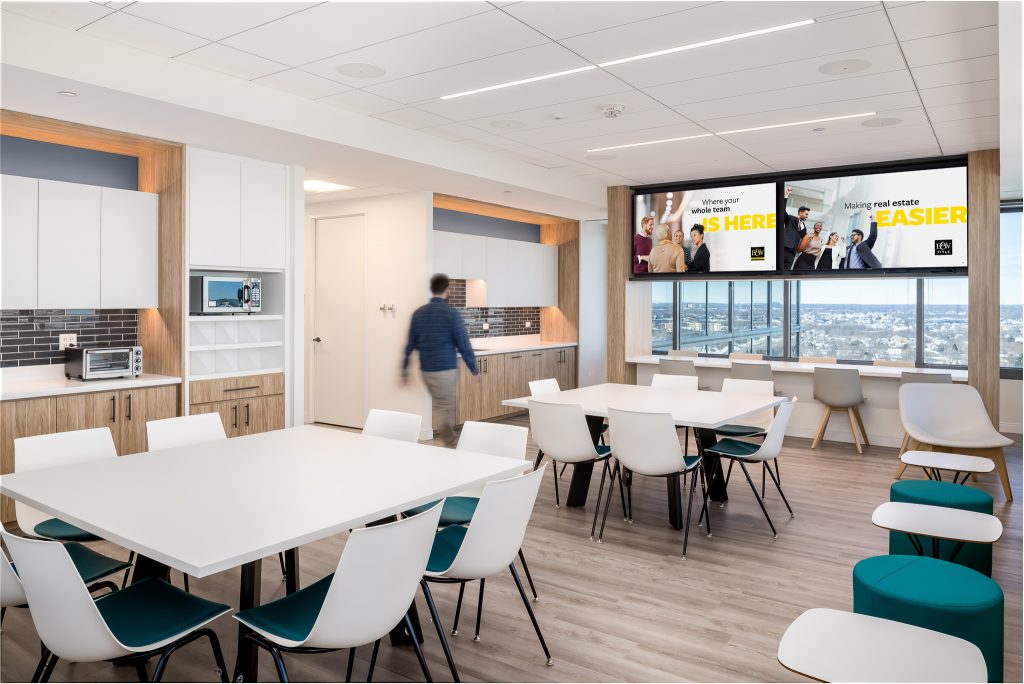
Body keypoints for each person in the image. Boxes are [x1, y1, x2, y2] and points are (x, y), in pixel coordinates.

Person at [401, 274, 478, 447]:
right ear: (447, 289)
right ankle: (450, 445)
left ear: (432, 289)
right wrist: (473, 366)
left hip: (426, 370)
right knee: (445, 407)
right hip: (445, 369)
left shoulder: (418, 314)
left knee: (441, 405)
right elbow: (463, 343)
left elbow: (410, 344)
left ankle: (448, 444)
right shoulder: (451, 314)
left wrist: (404, 370)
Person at [782, 187, 809, 270]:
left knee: (786, 273)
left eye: (808, 215)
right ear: (800, 213)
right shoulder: (790, 219)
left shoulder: (804, 228)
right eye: (806, 214)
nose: (807, 216)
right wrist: (786, 195)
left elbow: (804, 241)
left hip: (792, 254)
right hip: (783, 249)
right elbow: (781, 211)